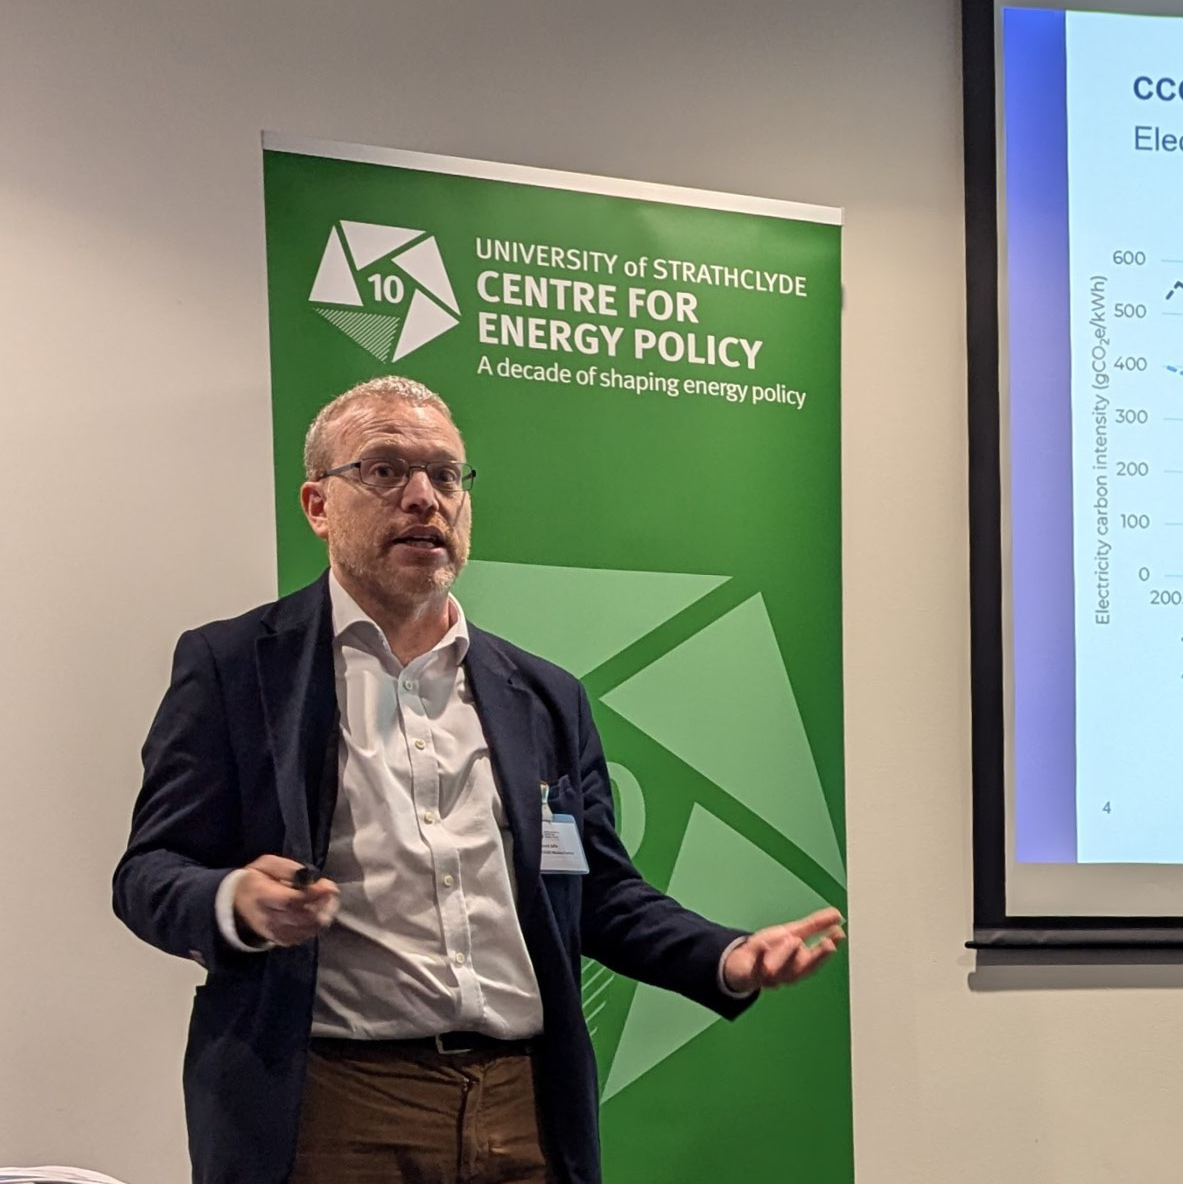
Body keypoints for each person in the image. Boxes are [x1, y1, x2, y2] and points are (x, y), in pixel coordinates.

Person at [112, 376, 842, 1184]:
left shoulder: (544, 696)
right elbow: (149, 873)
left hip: (524, 1110)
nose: (423, 498)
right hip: (329, 1109)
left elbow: (594, 891)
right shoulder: (236, 668)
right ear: (318, 505)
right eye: (384, 471)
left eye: (446, 475)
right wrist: (236, 901)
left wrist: (725, 956)